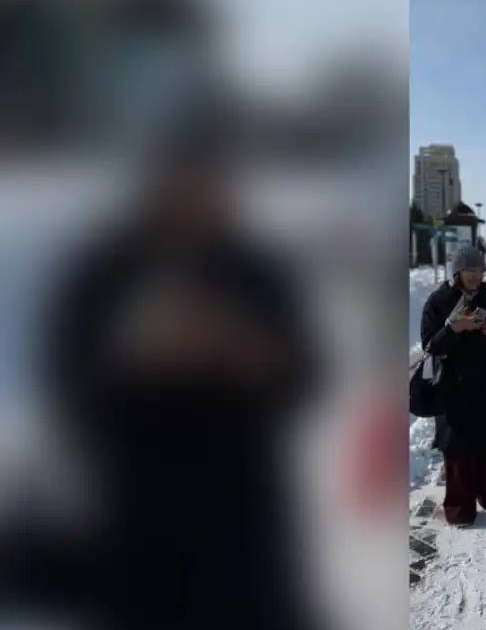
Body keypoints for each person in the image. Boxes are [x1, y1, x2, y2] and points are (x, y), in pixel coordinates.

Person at [38, 105, 322, 630]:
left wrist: (246, 352)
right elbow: (66, 383)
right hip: (141, 506)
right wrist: (136, 358)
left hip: (241, 504)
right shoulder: (106, 270)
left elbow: (306, 376)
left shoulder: (254, 270)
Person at [420, 245, 486, 527]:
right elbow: (430, 345)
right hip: (455, 386)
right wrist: (454, 329)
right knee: (460, 449)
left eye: (479, 269)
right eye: (469, 270)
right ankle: (460, 508)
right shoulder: (438, 302)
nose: (475, 275)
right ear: (457, 272)